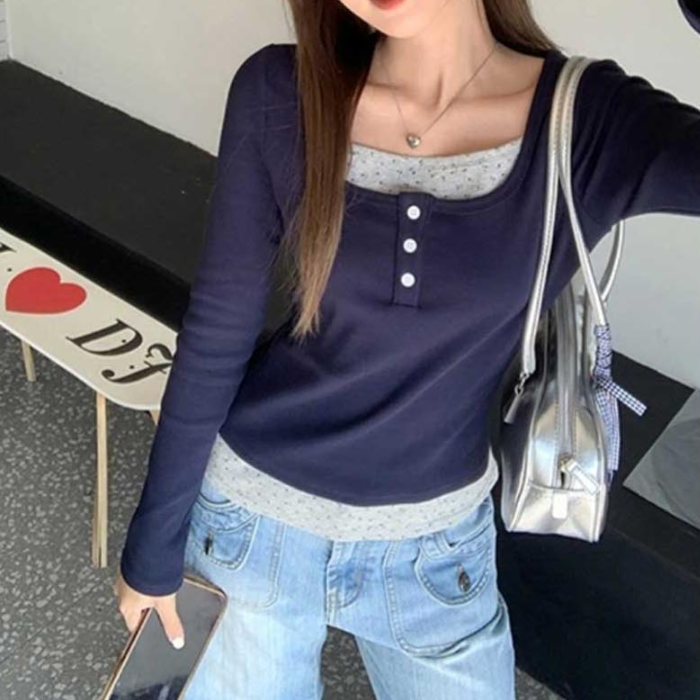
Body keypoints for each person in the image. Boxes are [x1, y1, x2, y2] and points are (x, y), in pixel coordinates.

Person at [114, 0, 700, 697]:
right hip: (248, 527)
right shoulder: (282, 91)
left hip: (435, 555)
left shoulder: (587, 120)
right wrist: (152, 545)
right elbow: (217, 331)